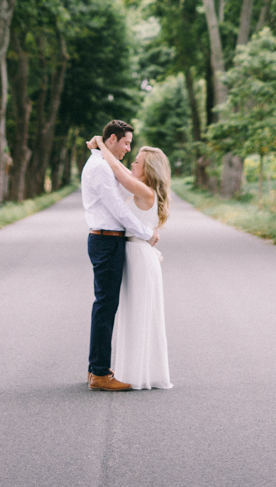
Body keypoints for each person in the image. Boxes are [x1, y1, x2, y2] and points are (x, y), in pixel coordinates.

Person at [87, 134, 173, 391]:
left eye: (137, 162)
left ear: (148, 170)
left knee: (140, 315)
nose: (132, 164)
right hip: (134, 255)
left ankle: (140, 372)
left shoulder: (145, 190)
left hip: (140, 258)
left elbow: (118, 171)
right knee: (133, 314)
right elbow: (122, 170)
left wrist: (102, 146)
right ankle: (131, 369)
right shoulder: (144, 187)